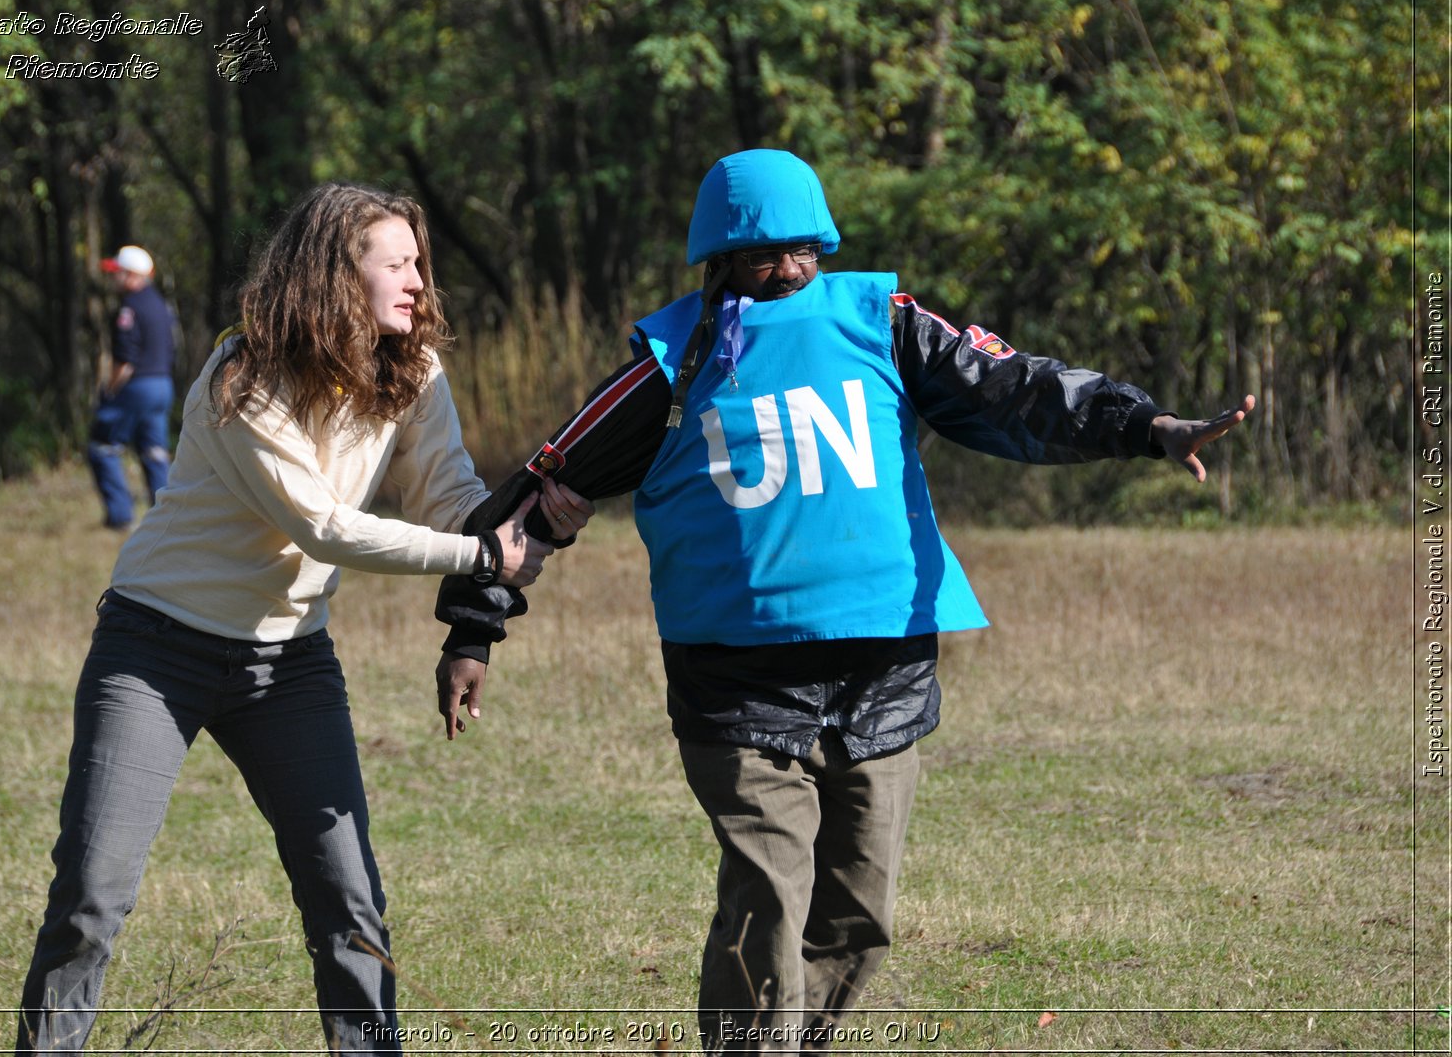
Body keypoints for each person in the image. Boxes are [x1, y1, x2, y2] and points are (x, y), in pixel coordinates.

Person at [433, 149, 1254, 1053]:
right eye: (760, 257)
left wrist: (1145, 425)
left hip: (883, 670)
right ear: (720, 261)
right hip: (736, 682)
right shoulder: (672, 365)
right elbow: (543, 490)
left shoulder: (887, 324)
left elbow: (1018, 389)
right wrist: (475, 627)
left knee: (860, 910)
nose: (785, 271)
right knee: (768, 899)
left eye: (800, 251)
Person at [15, 183, 593, 1055]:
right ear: (333, 274)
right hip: (155, 647)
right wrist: (482, 557)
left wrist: (529, 518)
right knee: (92, 897)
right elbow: (323, 526)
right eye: (396, 265)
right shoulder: (238, 378)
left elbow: (453, 499)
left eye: (419, 264)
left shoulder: (414, 370)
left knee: (348, 897)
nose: (418, 284)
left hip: (288, 663)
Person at [88, 245, 177, 531]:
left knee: (102, 446)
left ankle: (120, 516)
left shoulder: (129, 308)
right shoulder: (162, 305)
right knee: (154, 451)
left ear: (133, 276)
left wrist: (110, 390)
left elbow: (125, 361)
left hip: (138, 386)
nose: (114, 279)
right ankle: (167, 520)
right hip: (163, 385)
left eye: (118, 273)